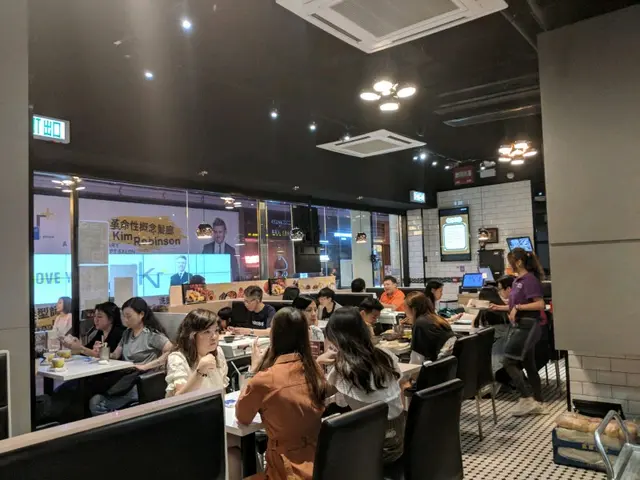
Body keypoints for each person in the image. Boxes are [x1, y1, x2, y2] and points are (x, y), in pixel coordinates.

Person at [236, 308, 327, 480]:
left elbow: (242, 417)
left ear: (274, 337)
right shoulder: (314, 369)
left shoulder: (265, 379)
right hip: (320, 464)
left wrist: (252, 371)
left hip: (285, 471)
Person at [318, 307, 405, 464]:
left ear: (336, 338)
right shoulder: (384, 356)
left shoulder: (345, 368)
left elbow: (320, 393)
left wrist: (318, 363)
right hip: (398, 440)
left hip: (375, 451)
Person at [165, 309, 242, 480]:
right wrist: (199, 372)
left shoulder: (218, 353)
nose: (214, 337)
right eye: (207, 332)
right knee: (237, 449)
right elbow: (179, 400)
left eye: (216, 331)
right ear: (192, 335)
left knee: (240, 449)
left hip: (212, 420)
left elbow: (221, 393)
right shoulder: (178, 358)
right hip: (186, 426)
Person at [88, 297, 173, 415]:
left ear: (141, 314)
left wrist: (146, 366)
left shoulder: (151, 334)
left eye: (129, 316)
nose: (125, 320)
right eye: (124, 316)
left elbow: (171, 350)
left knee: (96, 403)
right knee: (94, 396)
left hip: (140, 383)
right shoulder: (127, 333)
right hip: (125, 380)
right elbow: (115, 355)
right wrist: (102, 351)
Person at [503, 248, 547, 417]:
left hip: (528, 326)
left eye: (510, 261)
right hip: (522, 325)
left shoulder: (529, 280)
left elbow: (540, 304)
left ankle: (527, 399)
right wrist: (499, 307)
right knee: (529, 364)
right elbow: (514, 305)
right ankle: (539, 402)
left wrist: (518, 307)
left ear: (519, 262)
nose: (509, 264)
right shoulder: (517, 280)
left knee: (508, 361)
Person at [406, 292, 455, 364]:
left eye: (405, 307)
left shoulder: (420, 323)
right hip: (448, 363)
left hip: (437, 365)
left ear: (413, 309)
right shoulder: (436, 318)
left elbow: (417, 359)